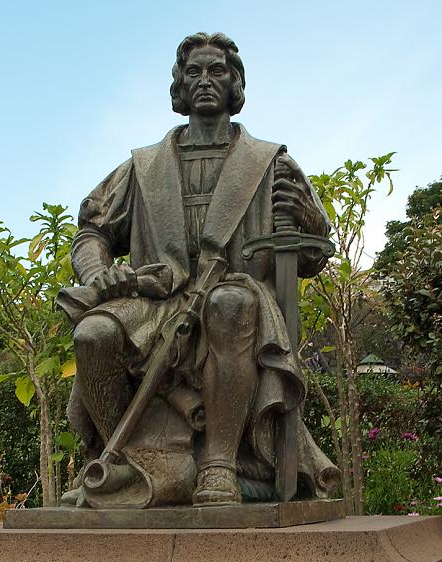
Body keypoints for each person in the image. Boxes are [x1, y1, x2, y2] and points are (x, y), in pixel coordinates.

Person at [57, 31, 338, 509]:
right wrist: (97, 272)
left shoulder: (269, 162)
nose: (205, 80)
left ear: (235, 84)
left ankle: (219, 466)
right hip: (156, 299)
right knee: (93, 333)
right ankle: (125, 465)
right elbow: (92, 232)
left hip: (235, 292)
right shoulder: (143, 166)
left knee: (230, 304)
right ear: (180, 86)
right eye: (194, 72)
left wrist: (310, 220)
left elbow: (310, 253)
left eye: (217, 70)